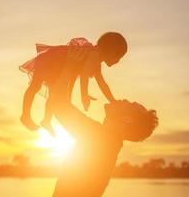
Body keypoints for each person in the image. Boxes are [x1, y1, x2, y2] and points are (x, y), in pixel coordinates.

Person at [48, 49, 159, 196]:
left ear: (127, 119)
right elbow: (61, 103)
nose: (124, 100)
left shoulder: (101, 137)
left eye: (129, 104)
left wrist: (68, 69)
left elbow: (60, 105)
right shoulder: (109, 141)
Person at [19, 32, 128, 134]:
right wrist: (84, 95)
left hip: (59, 68)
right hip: (51, 60)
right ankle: (25, 115)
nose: (118, 61)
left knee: (54, 94)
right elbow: (84, 75)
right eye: (118, 57)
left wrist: (113, 101)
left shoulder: (96, 61)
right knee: (35, 86)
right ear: (111, 51)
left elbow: (102, 83)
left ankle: (46, 120)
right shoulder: (94, 55)